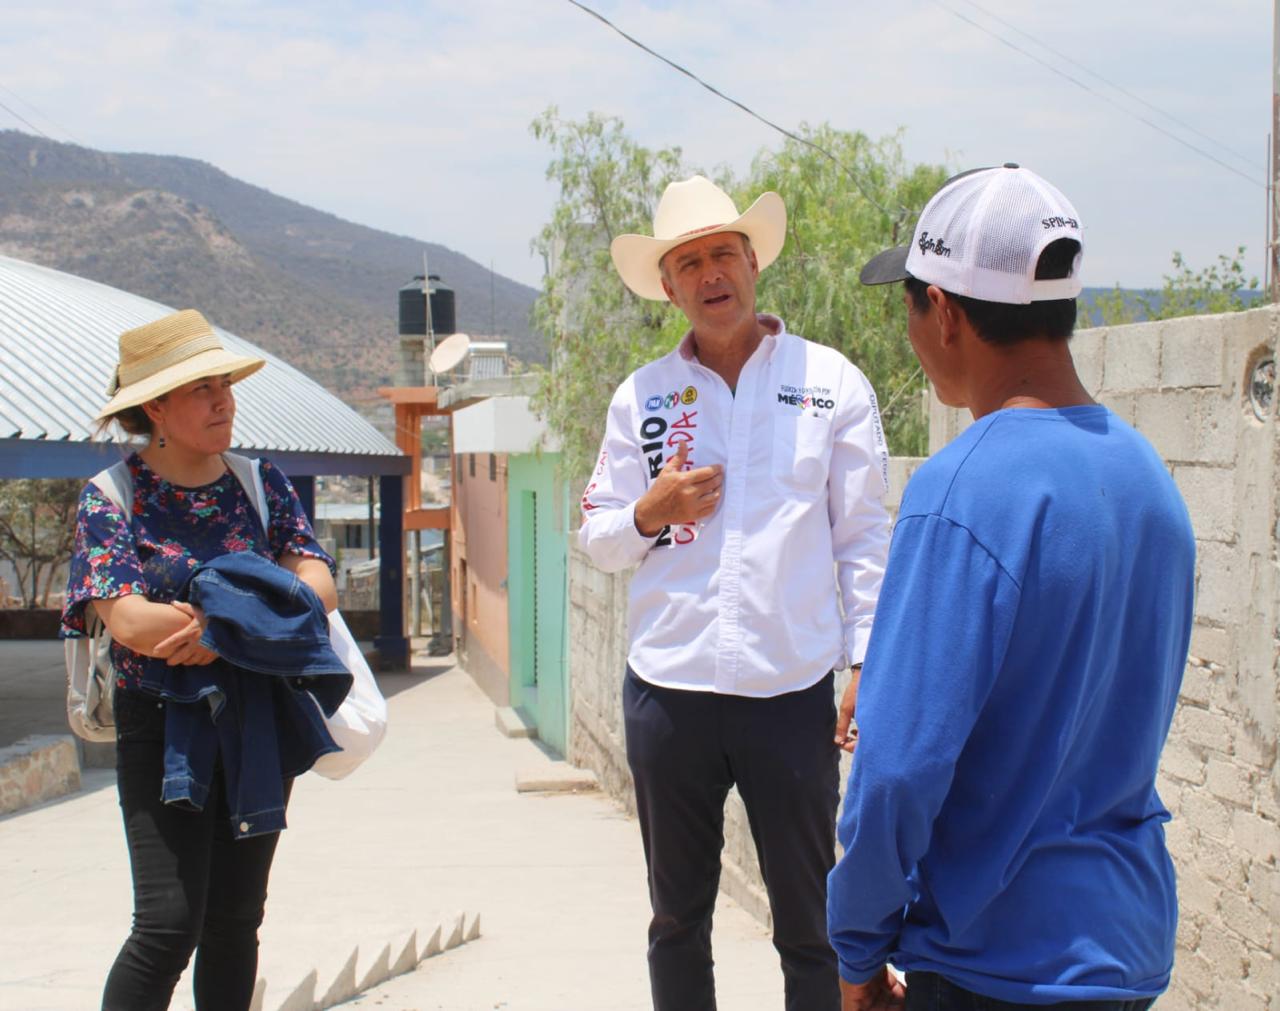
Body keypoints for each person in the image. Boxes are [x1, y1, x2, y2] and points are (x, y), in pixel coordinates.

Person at [827, 164, 1195, 1011]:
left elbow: (894, 772)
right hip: (1122, 946)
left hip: (996, 960)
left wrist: (857, 951)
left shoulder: (963, 491)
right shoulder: (1148, 480)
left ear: (946, 314)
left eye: (912, 304)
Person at [579, 175, 891, 1010]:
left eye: (724, 252)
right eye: (688, 261)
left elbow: (864, 538)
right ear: (669, 286)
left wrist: (866, 660)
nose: (710, 272)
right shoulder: (641, 396)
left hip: (789, 696)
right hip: (667, 694)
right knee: (676, 920)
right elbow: (598, 537)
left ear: (753, 264)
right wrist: (650, 511)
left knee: (811, 924)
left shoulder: (831, 383)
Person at [61, 309, 343, 1011]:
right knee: (166, 925)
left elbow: (320, 587)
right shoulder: (111, 497)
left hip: (256, 723)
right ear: (153, 405)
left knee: (235, 922)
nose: (223, 400)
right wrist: (255, 612)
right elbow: (128, 619)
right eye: (200, 388)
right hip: (160, 727)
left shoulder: (259, 482)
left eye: (224, 383)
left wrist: (221, 631)